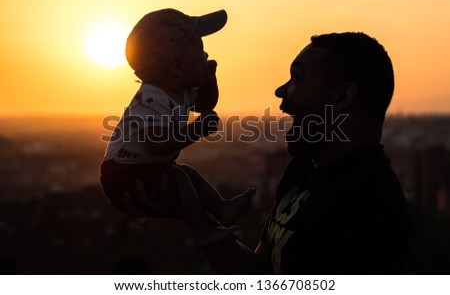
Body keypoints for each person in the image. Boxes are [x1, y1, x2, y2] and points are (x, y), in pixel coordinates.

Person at [124, 32, 409, 274]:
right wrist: (194, 215)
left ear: (342, 97)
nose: (280, 90)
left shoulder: (370, 204)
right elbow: (258, 273)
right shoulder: (305, 170)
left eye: (297, 78)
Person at [100, 8, 255, 249]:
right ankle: (202, 231)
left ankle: (221, 208)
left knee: (187, 174)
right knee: (181, 175)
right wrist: (196, 131)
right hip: (122, 173)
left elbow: (206, 104)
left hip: (144, 168)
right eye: (201, 55)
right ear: (177, 69)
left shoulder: (178, 91)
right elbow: (157, 142)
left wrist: (210, 79)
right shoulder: (151, 99)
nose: (207, 57)